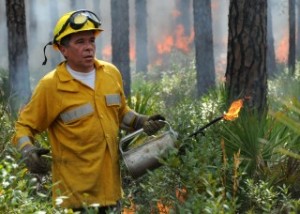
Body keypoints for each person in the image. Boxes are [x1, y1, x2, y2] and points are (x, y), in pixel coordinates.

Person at [12, 9, 165, 213]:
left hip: (111, 193)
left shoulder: (110, 74)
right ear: (63, 50)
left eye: (91, 41)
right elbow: (24, 126)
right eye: (80, 42)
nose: (88, 48)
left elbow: (121, 113)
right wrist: (27, 151)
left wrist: (142, 121)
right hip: (74, 199)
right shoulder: (51, 86)